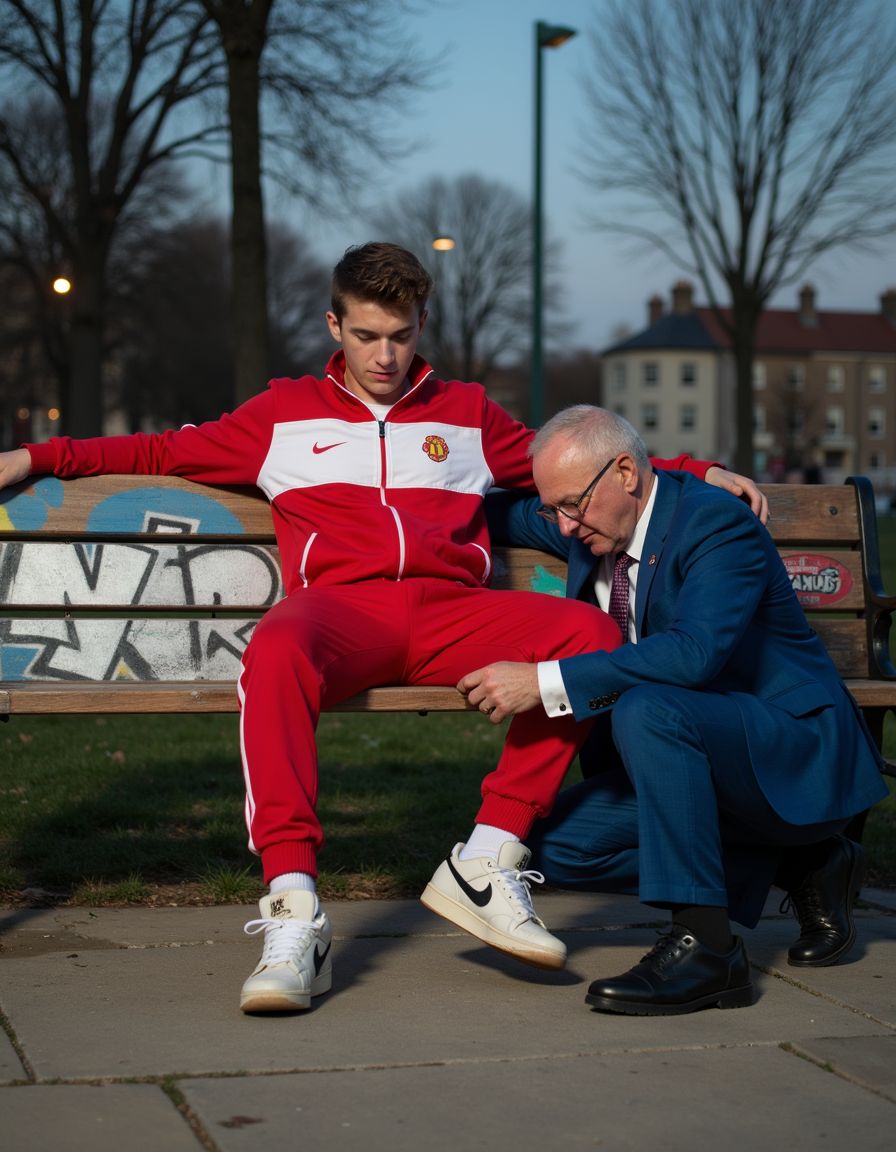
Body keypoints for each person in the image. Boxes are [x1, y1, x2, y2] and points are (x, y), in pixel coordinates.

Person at [0, 244, 760, 1016]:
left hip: (450, 613)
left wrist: (694, 472)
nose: (386, 355)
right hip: (342, 614)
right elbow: (158, 448)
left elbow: (581, 458)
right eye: (366, 336)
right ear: (335, 325)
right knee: (276, 647)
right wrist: (35, 453)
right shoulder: (280, 416)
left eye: (400, 334)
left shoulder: (467, 415)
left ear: (421, 322)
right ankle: (295, 912)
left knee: (586, 634)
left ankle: (487, 860)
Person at [469, 405, 887, 1016]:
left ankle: (707, 950)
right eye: (552, 508)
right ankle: (806, 862)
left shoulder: (717, 523)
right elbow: (479, 508)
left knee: (647, 708)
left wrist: (546, 680)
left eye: (570, 506)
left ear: (626, 474)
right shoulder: (589, 513)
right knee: (551, 847)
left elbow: (695, 655)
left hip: (789, 746)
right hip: (686, 755)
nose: (560, 527)